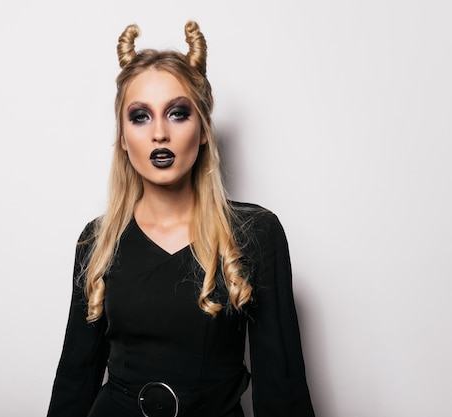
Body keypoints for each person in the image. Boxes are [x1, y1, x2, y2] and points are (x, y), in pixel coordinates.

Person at [47, 20, 315, 417]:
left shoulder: (255, 234)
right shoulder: (97, 240)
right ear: (122, 137)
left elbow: (282, 385)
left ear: (203, 129)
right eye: (139, 116)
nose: (159, 133)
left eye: (176, 113)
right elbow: (75, 377)